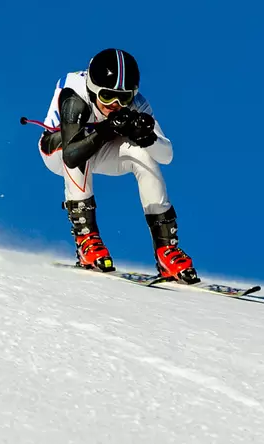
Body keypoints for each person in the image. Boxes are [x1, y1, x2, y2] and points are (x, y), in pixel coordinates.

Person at [34, 48, 198, 283]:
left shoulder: (137, 104)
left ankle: (165, 249)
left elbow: (166, 155)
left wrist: (147, 138)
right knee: (77, 149)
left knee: (143, 153)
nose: (116, 104)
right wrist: (106, 129)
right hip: (59, 149)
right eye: (107, 96)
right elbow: (71, 155)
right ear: (93, 89)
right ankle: (86, 239)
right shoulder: (75, 95)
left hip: (99, 149)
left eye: (124, 98)